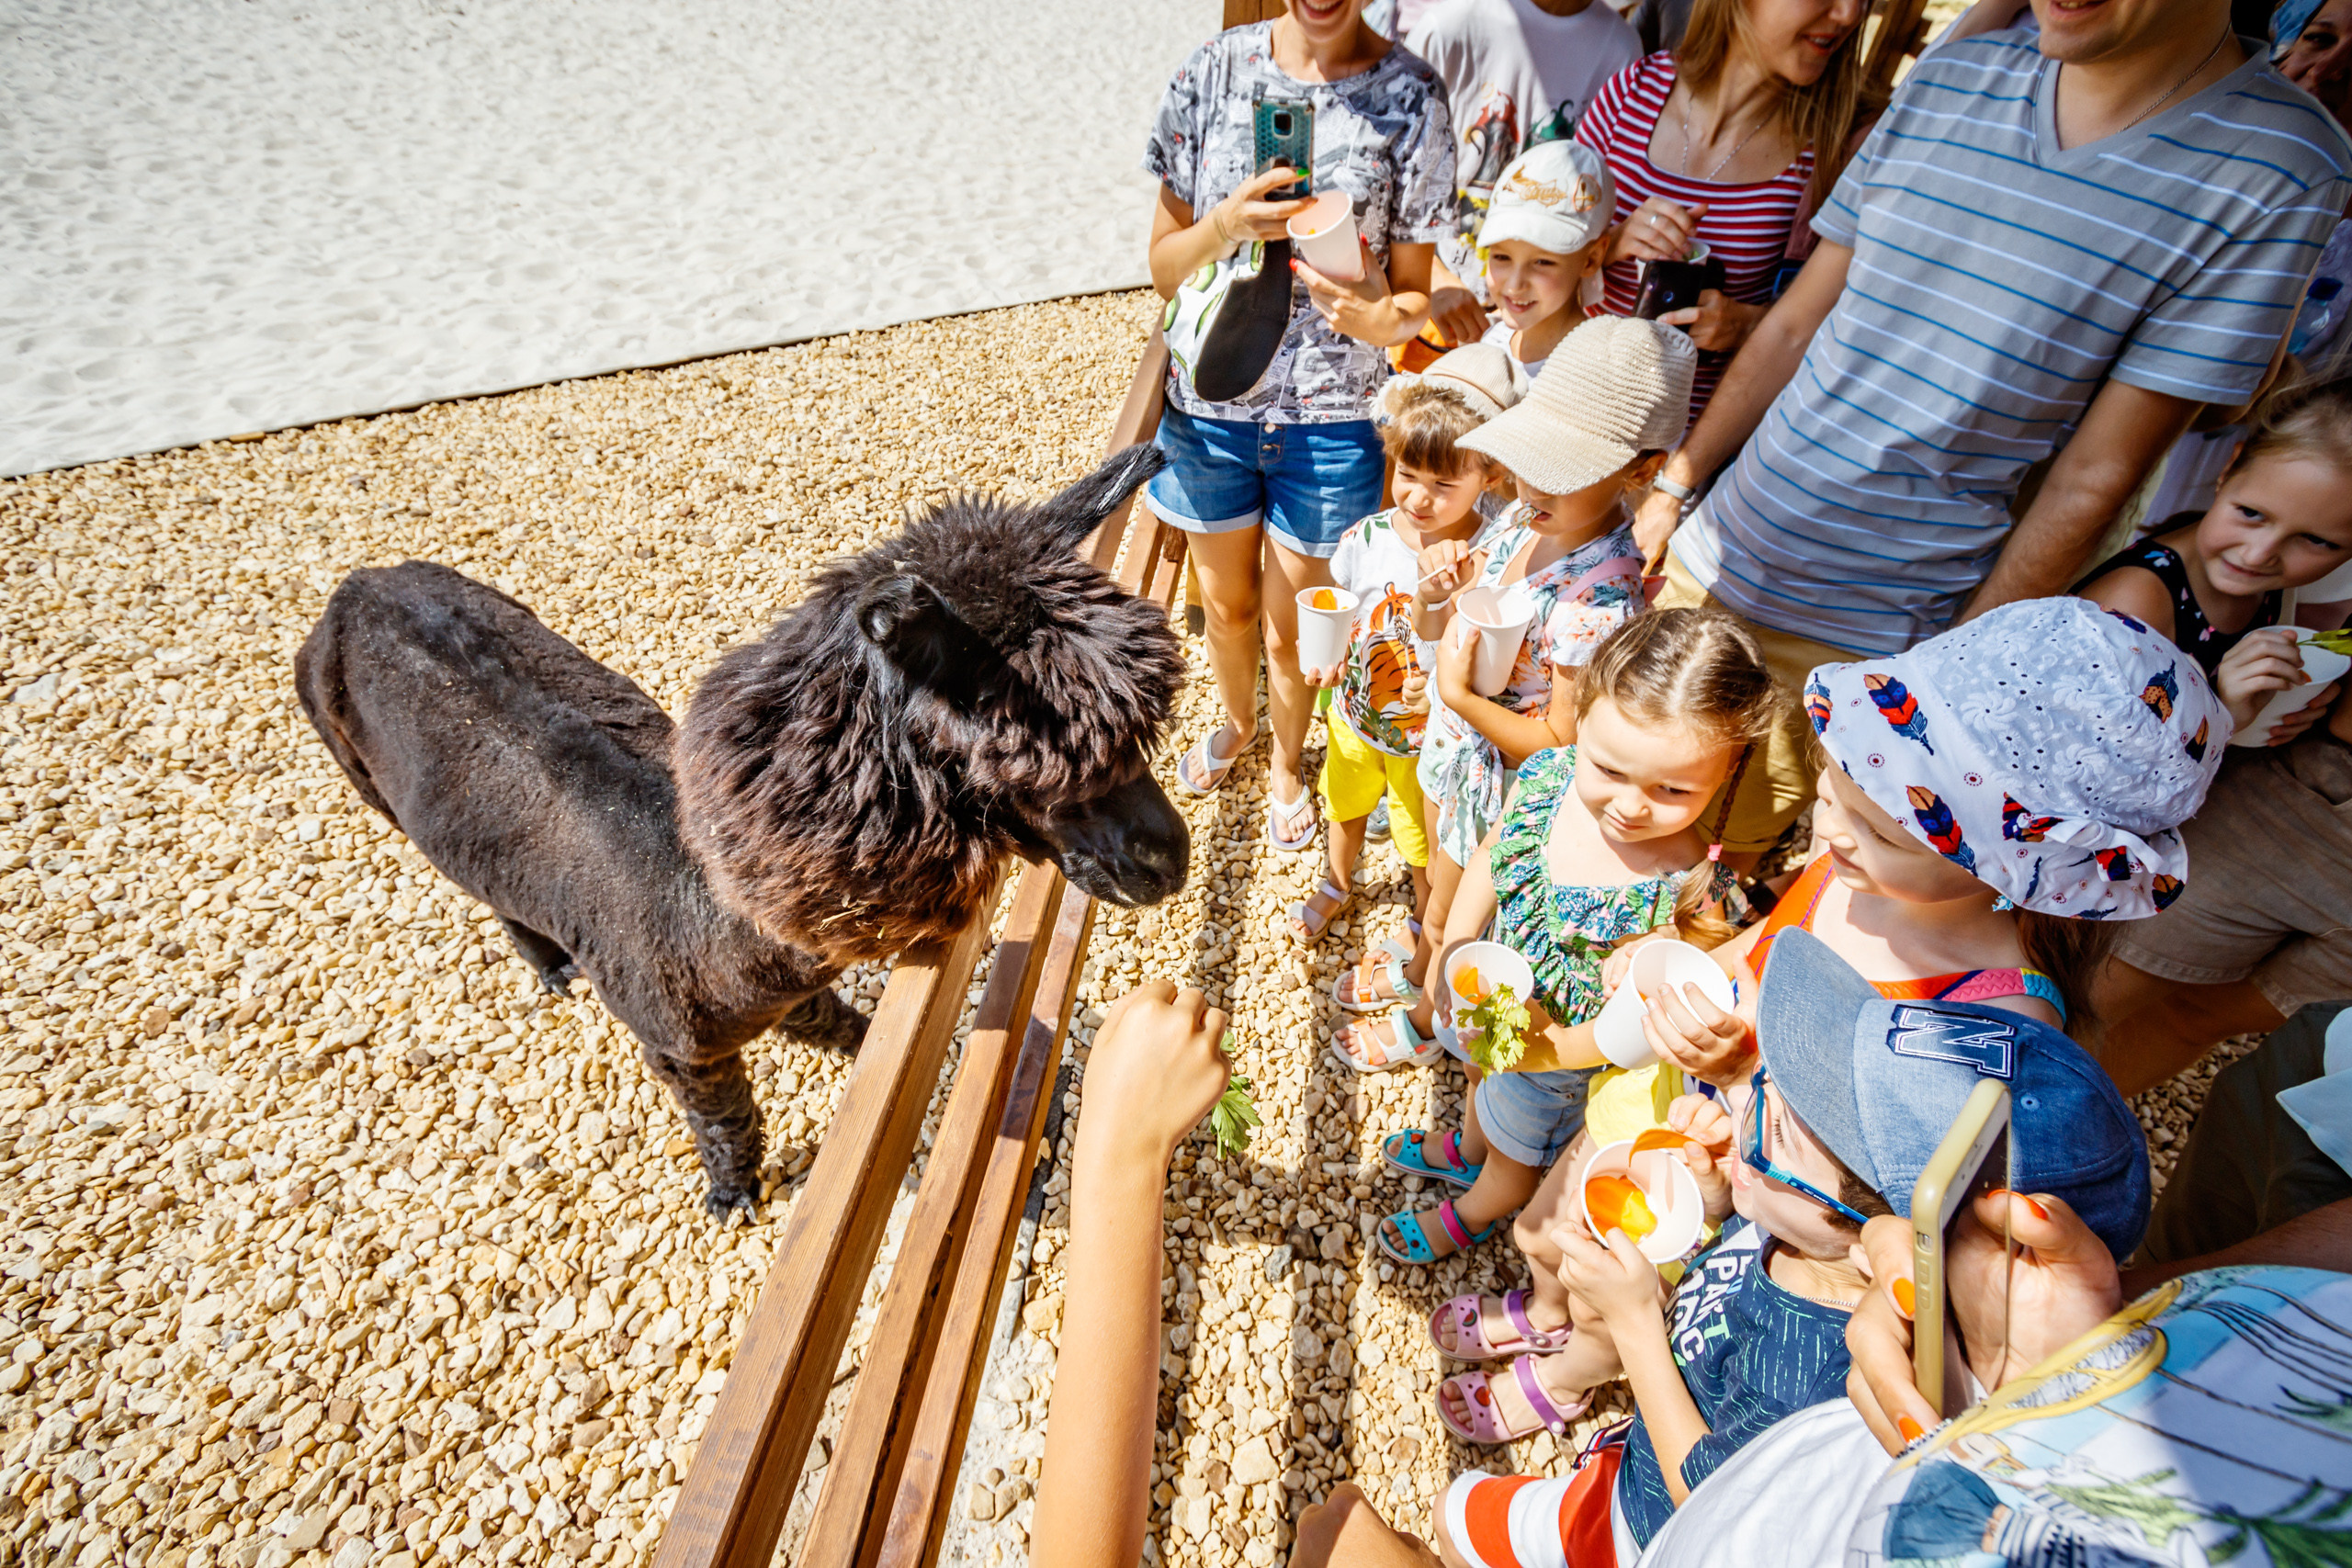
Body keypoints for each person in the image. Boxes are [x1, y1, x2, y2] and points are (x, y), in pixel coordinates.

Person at [1447, 596, 2227, 1438]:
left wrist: (1738, 1081)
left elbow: (1865, 1212)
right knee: (1565, 1232)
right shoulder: (1855, 865)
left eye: (1883, 831)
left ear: (2018, 867)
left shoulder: (1992, 1024)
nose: (1835, 835)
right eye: (1832, 794)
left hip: (1765, 1206)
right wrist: (1683, 962)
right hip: (1697, 1120)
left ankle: (1572, 1371)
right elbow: (1763, 945)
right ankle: (1552, 1311)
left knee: (1631, 1292)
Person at [1629, 0, 2352, 866]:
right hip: (1714, 551)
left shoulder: (2283, 161)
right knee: (1617, 810)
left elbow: (2098, 474)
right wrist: (1676, 486)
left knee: (1725, 862)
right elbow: (1793, 327)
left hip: (1877, 629)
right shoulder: (1951, 71)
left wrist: (1948, 683)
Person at [1436, 927, 2153, 1563]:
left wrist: (1633, 1323)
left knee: (1453, 1515)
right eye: (1768, 1080)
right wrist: (1719, 1196)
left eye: (1768, 1130)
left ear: (1880, 1246)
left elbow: (1709, 1494)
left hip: (1643, 1525)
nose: (1740, 1102)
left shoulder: (1819, 1377)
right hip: (1651, 1434)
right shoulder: (1807, 1228)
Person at [1328, 316, 1695, 1069]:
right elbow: (1447, 620)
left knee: (1453, 909)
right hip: (1456, 752)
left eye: (1562, 469)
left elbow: (1561, 744)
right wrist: (1438, 598)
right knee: (1435, 885)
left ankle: (1425, 1022)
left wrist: (1460, 696)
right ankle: (1425, 954)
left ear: (1641, 469)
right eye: (1528, 459)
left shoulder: (1598, 601)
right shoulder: (1525, 519)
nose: (1531, 483)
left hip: (1497, 780)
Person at [1367, 608, 1774, 1274]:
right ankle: (1468, 1149)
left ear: (1727, 771)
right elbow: (1494, 855)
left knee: (1516, 1152)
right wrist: (1456, 943)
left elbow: (1638, 1028)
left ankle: (1473, 1212)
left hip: (1558, 1065)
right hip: (1491, 1004)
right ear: (1578, 718)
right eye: (1608, 769)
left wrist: (1539, 1050)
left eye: (1672, 788)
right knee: (1477, 1078)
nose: (1631, 806)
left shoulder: (1691, 891)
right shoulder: (1549, 776)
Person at [1144, 0, 1454, 852]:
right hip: (1211, 411)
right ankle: (1240, 724)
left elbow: (1415, 297)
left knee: (1293, 631)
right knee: (1228, 609)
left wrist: (1380, 318)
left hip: (1336, 419)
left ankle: (1287, 761)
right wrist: (1225, 225)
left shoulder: (1414, 97)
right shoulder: (1210, 72)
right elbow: (1164, 268)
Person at [1295, 346, 1524, 945]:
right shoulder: (1366, 536)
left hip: (1426, 739)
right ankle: (1337, 880)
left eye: (1443, 484)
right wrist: (1329, 652)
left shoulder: (1486, 558)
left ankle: (1426, 919)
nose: (1419, 499)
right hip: (1354, 714)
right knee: (1344, 804)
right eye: (1407, 474)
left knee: (1422, 841)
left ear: (1490, 477)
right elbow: (1343, 604)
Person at [1574, 0, 1874, 424]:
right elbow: (1528, 258)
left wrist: (1749, 326)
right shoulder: (1632, 91)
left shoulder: (1839, 149)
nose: (1849, 14)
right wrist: (1610, 245)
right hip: (1565, 402)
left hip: (1682, 443)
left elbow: (1853, 335)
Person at [2092, 691, 2352, 1094]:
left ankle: (2023, 1122)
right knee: (2091, 985)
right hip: (2316, 800)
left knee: (2196, 1020)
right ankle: (1993, 1100)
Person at [2075, 375, 2352, 737]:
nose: (2257, 555)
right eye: (2251, 513)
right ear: (2228, 469)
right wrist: (2226, 717)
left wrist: (2281, 709)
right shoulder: (2132, 608)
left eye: (2314, 540)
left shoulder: (2267, 579)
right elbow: (2082, 750)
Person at [1403, 0, 1642, 355]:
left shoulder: (1620, 47)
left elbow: (1602, 200)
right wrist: (1431, 277)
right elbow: (1387, 175)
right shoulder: (1450, 24)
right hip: (1434, 322)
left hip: (1544, 335)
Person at [1476, 141, 1620, 378]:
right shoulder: (1492, 341)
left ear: (1591, 259)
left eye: (1542, 262)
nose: (1515, 284)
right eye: (1502, 257)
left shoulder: (1595, 374)